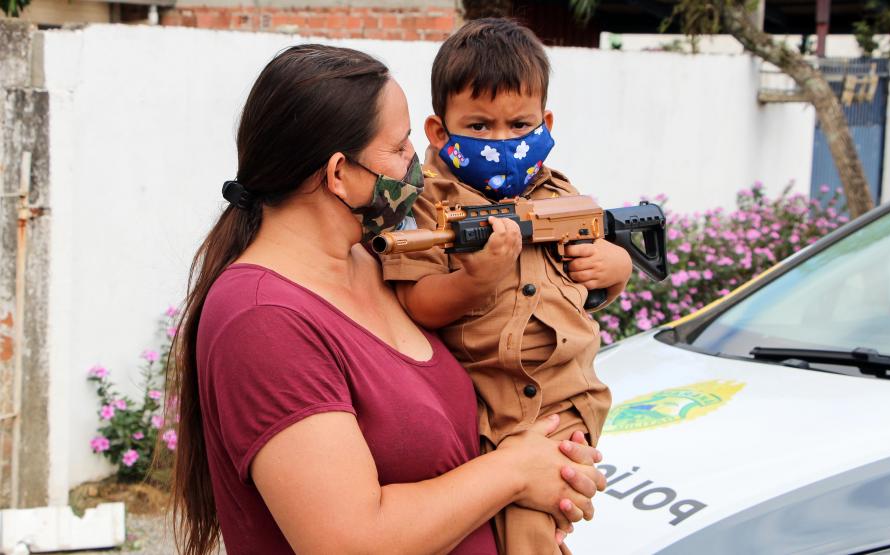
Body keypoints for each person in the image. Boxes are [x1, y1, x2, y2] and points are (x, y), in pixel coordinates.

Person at [166, 44, 607, 555]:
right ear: (337, 174)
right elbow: (352, 541)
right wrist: (515, 471)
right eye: (400, 150)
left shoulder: (375, 266)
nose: (418, 166)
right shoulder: (262, 320)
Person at [380, 19, 633, 555]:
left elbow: (582, 281)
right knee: (514, 527)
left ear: (545, 122)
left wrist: (615, 270)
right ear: (438, 131)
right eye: (479, 126)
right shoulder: (422, 204)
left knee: (538, 521)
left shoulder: (561, 193)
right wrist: (476, 279)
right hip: (489, 405)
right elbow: (417, 303)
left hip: (568, 396)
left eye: (519, 125)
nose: (502, 142)